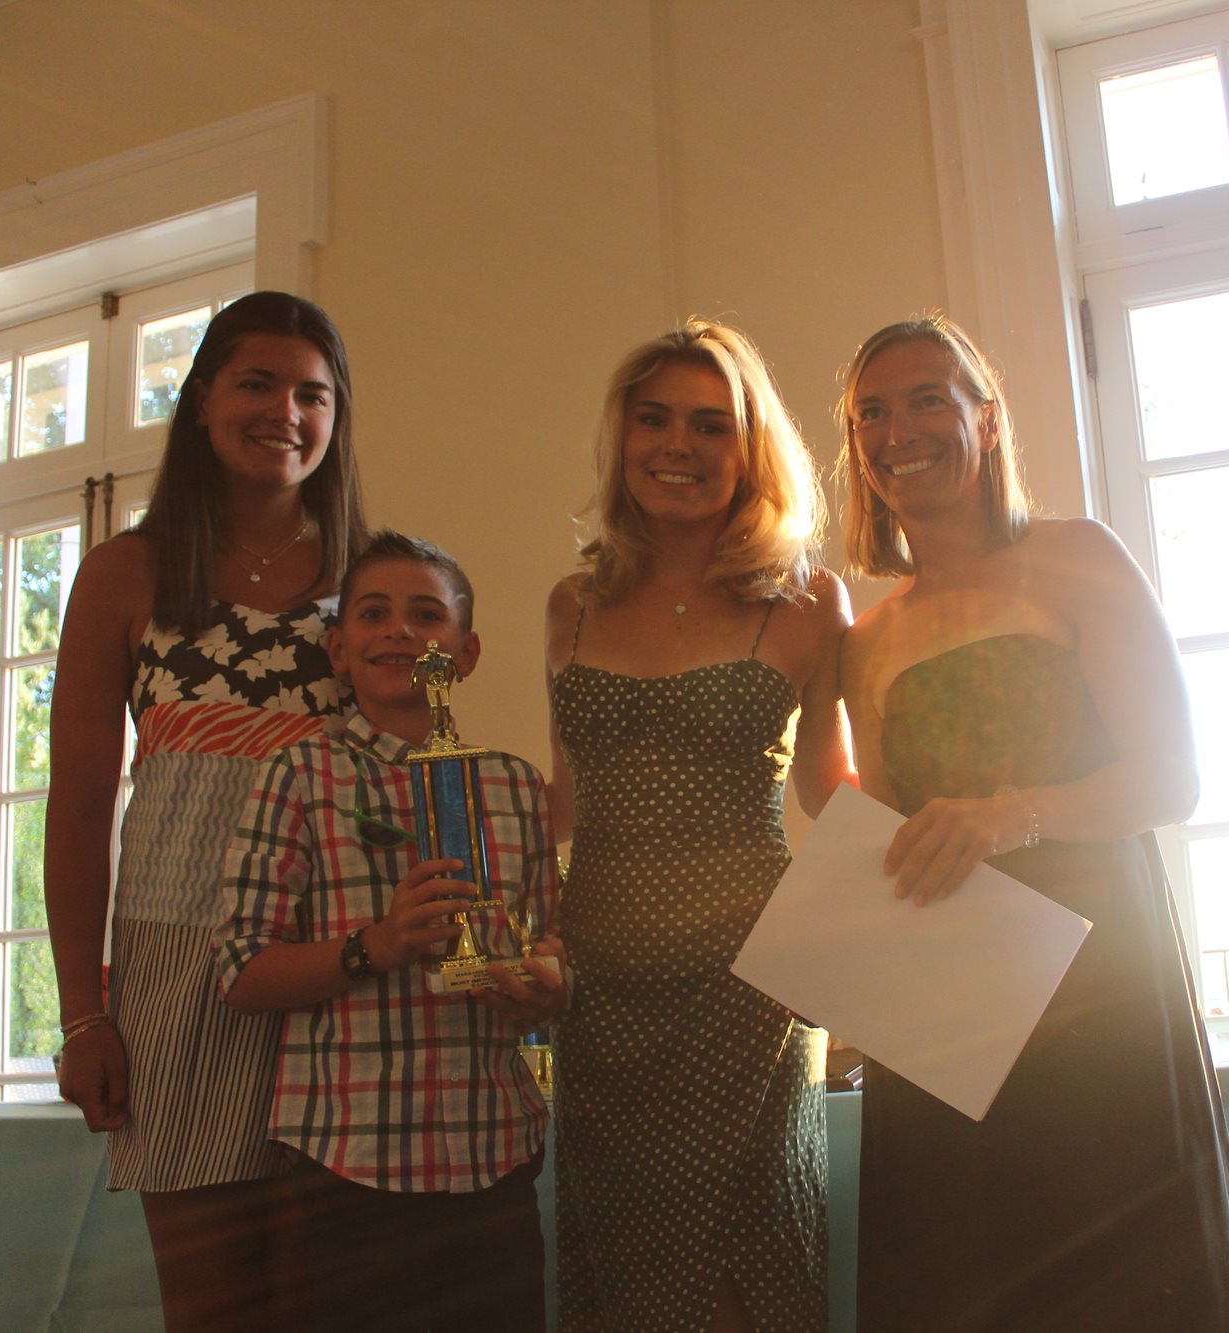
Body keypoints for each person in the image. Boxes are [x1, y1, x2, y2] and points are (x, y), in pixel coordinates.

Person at [835, 315, 1229, 1331]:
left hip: (1099, 981)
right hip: (951, 1006)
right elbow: (884, 832)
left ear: (987, 421)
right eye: (871, 414)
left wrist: (1014, 817)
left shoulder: (1079, 556)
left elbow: (1172, 777)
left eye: (928, 400)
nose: (898, 431)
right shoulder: (865, 637)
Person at [44, 291, 367, 1330]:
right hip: (175, 969)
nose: (286, 413)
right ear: (200, 401)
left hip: (335, 969)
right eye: (257, 384)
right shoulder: (126, 573)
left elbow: (406, 779)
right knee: (213, 1306)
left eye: (312, 395)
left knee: (329, 1300)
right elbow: (77, 807)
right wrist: (84, 1013)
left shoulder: (370, 584)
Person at [544, 320, 853, 1332]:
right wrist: (434, 803)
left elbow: (834, 793)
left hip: (752, 997)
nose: (677, 444)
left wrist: (961, 828)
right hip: (599, 1000)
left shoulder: (809, 599)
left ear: (749, 447)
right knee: (622, 1288)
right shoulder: (571, 602)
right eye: (655, 419)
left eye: (710, 425)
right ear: (621, 435)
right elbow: (561, 803)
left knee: (744, 1282)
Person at [216, 530, 566, 1332]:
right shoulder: (300, 775)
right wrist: (375, 944)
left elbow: (548, 942)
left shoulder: (514, 786)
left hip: (493, 1160)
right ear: (340, 649)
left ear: (466, 652)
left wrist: (547, 987)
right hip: (348, 1172)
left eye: (426, 615)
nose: (400, 630)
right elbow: (240, 969)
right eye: (373, 613)